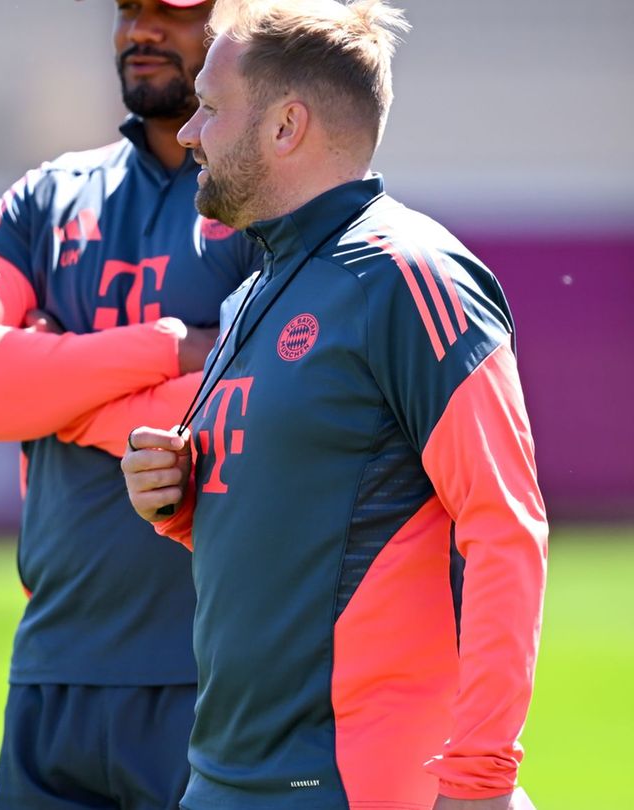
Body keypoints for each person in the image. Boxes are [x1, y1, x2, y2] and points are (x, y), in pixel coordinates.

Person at [120, 1, 546, 808]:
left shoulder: (409, 276)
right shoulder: (253, 292)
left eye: (211, 109)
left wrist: (482, 776)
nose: (189, 134)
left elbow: (505, 527)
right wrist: (174, 498)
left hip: (360, 781)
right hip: (222, 779)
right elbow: (304, 514)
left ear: (286, 126)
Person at [0, 1, 262, 807]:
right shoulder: (46, 199)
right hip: (54, 677)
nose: (141, 30)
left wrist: (51, 390)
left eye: (171, 14)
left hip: (215, 677)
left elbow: (260, 405)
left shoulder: (263, 200)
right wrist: (170, 346)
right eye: (129, 11)